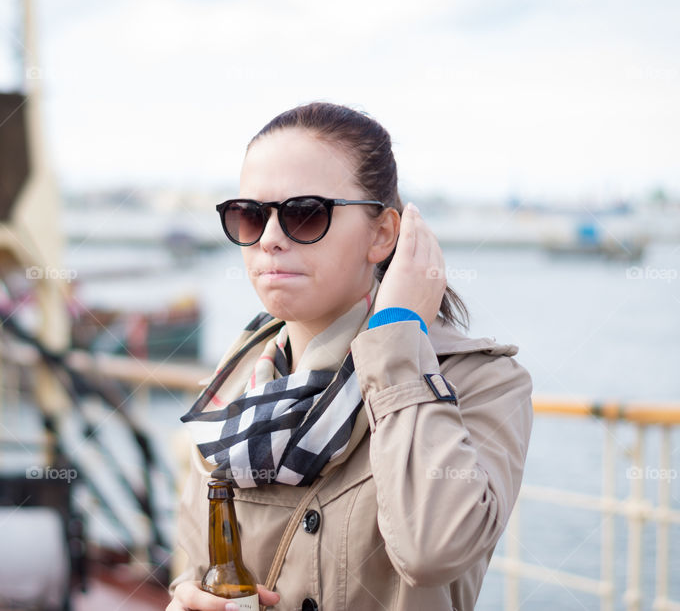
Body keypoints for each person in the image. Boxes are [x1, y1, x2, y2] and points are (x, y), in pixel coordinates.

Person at [169, 102, 533, 611]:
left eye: (305, 213)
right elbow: (193, 569)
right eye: (249, 216)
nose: (270, 239)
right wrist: (186, 599)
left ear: (382, 233)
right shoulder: (231, 388)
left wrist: (397, 338)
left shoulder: (479, 380)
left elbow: (432, 551)